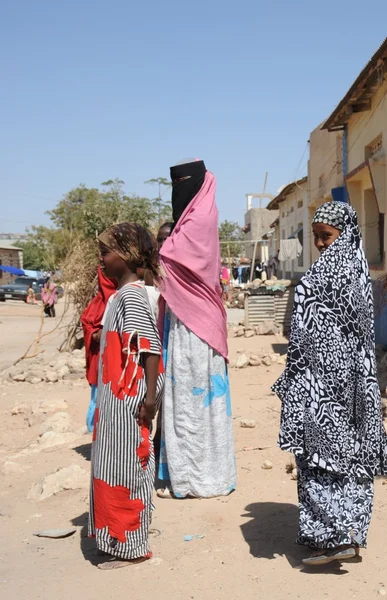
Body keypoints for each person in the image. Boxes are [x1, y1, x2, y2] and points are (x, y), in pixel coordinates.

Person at [272, 202, 387, 567]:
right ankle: (347, 535)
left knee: (324, 459)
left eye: (327, 236)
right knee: (349, 459)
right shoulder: (355, 267)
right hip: (350, 385)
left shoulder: (334, 271)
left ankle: (335, 537)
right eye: (317, 237)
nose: (321, 243)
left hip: (327, 387)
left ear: (345, 232)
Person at [157, 159, 236, 499]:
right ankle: (187, 476)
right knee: (185, 404)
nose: (181, 190)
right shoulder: (187, 221)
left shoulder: (200, 217)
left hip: (197, 326)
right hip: (184, 322)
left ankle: (204, 478)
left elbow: (172, 258)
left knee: (198, 402)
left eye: (185, 182)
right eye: (176, 183)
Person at [88, 222, 165, 570]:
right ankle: (118, 537)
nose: (101, 258)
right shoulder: (120, 296)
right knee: (113, 467)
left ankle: (131, 545)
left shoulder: (131, 295)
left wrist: (149, 399)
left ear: (128, 255)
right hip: (116, 399)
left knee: (127, 470)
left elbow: (149, 348)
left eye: (106, 251)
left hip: (130, 400)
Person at [80, 266, 116, 432]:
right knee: (98, 402)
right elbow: (91, 330)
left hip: (119, 364)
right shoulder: (99, 302)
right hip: (100, 361)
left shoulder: (126, 297)